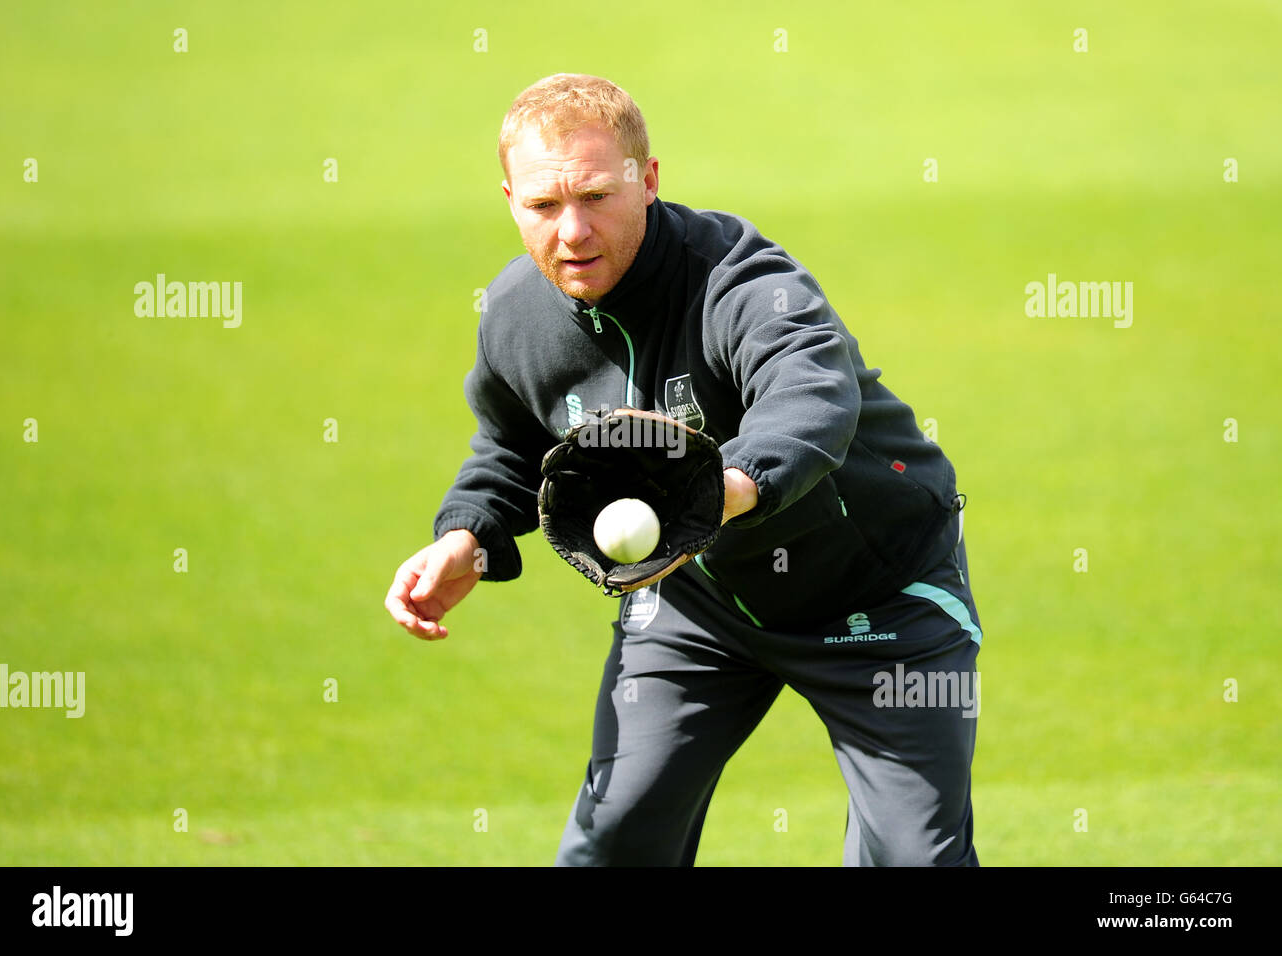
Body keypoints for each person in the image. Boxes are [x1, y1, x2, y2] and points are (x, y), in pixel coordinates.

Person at [385, 73, 982, 866]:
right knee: (613, 843)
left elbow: (811, 396)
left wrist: (720, 490)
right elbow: (512, 446)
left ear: (649, 179)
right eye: (543, 205)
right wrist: (467, 535)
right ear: (509, 200)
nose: (572, 231)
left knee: (916, 861)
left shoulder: (741, 280)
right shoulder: (515, 317)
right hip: (698, 609)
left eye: (596, 196)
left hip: (879, 599)